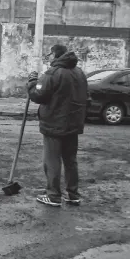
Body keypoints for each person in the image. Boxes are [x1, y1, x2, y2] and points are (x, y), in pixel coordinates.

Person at [27, 44, 88, 207]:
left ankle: (53, 195)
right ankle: (73, 194)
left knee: (52, 159)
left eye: (49, 55)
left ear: (55, 55)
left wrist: (32, 82)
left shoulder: (53, 73)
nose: (48, 58)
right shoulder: (79, 73)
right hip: (73, 123)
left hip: (54, 123)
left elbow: (38, 95)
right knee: (70, 160)